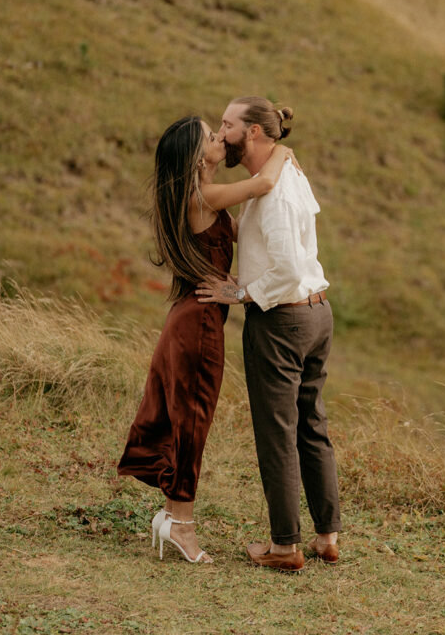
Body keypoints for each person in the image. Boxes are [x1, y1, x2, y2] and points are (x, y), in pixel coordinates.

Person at [117, 114, 293, 564]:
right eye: (211, 137)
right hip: (198, 325)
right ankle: (182, 526)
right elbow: (261, 186)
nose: (220, 138)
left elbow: (240, 237)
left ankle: (173, 516)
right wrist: (282, 154)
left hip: (193, 318)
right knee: (193, 422)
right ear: (198, 159)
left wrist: (238, 287)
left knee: (186, 420)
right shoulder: (204, 196)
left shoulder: (200, 197)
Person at [197, 97, 341, 572]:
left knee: (277, 433)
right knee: (311, 426)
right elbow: (271, 243)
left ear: (253, 133)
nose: (221, 133)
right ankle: (326, 536)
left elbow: (287, 266)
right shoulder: (284, 178)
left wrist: (240, 294)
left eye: (227, 125)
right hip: (316, 314)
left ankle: (284, 547)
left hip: (281, 321)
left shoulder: (274, 188)